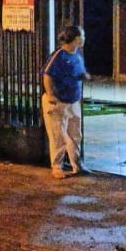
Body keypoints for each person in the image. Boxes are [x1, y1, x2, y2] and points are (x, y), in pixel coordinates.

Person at [41, 24, 91, 179]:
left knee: (75, 135)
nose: (84, 38)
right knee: (58, 136)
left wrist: (84, 76)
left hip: (73, 102)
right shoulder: (59, 56)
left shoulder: (77, 54)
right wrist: (50, 94)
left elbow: (79, 72)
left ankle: (77, 165)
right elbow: (47, 75)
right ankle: (57, 167)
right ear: (75, 39)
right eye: (82, 36)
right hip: (58, 102)